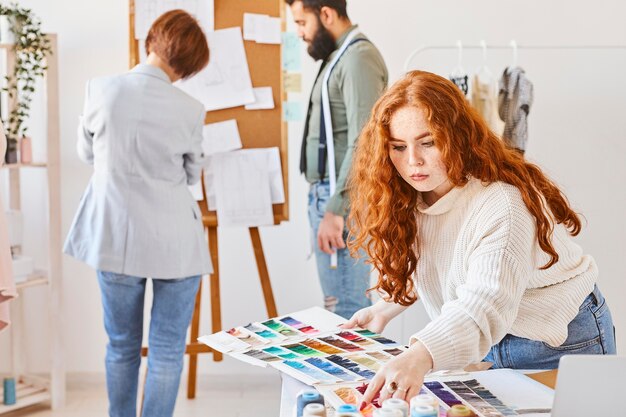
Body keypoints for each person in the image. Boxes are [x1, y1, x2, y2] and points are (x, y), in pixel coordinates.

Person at [342, 70, 616, 408]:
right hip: (486, 340)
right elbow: (446, 260)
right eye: (398, 147)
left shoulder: (502, 204)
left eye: (427, 142)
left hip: (556, 338)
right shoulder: (413, 194)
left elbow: (484, 304)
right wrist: (384, 309)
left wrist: (420, 355)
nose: (412, 161)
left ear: (456, 136)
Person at [64, 10, 212, 417]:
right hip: (176, 243)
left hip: (115, 238)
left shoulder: (100, 89)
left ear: (152, 40)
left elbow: (87, 155)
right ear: (188, 66)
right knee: (166, 351)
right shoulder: (190, 108)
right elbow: (191, 173)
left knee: (121, 346)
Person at [285, 0, 388, 319]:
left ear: (326, 14)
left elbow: (364, 140)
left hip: (341, 199)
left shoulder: (357, 58)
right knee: (338, 304)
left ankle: (359, 371)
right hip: (329, 195)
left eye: (302, 23)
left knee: (346, 308)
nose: (300, 33)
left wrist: (336, 208)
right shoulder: (338, 57)